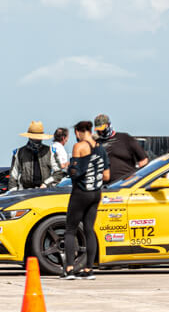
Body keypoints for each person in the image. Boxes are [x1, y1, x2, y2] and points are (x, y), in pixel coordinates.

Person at [62, 120, 110, 280]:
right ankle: (89, 269)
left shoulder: (79, 147)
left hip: (81, 192)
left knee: (70, 229)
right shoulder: (101, 149)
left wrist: (70, 166)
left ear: (78, 132)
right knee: (90, 229)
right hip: (96, 193)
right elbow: (107, 175)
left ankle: (69, 268)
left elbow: (75, 173)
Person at [10, 121, 65, 191]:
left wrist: (46, 184)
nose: (37, 140)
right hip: (25, 191)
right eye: (35, 138)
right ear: (29, 137)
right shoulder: (19, 152)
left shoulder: (50, 151)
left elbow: (58, 173)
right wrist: (13, 193)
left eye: (39, 138)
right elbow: (13, 176)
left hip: (45, 192)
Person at [93, 114, 147, 183]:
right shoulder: (96, 143)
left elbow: (143, 160)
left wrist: (136, 178)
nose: (100, 132)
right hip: (106, 186)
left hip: (126, 184)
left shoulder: (125, 138)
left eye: (102, 130)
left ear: (108, 125)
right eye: (98, 131)